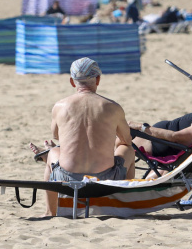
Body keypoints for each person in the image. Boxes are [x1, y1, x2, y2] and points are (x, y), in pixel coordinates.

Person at [28, 58, 136, 216]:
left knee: (53, 152)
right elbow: (127, 140)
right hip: (106, 177)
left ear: (72, 82)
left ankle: (50, 212)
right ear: (98, 79)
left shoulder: (60, 106)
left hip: (66, 176)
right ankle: (125, 204)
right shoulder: (112, 107)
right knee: (128, 150)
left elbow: (57, 136)